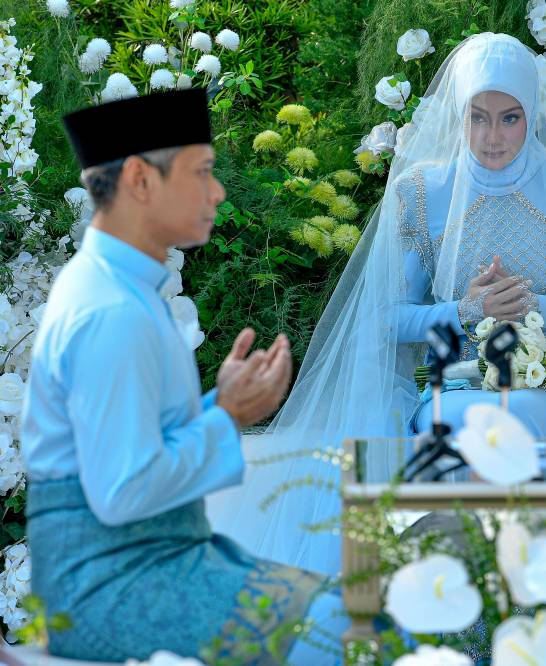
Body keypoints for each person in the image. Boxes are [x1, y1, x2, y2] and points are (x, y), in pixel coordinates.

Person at [209, 32, 546, 576]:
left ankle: (522, 589)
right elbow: (387, 317)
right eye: (477, 116)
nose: (492, 136)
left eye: (510, 117)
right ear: (457, 116)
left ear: (533, 115)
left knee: (516, 418)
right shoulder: (423, 190)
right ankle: (472, 593)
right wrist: (465, 312)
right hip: (452, 383)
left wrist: (533, 307)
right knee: (476, 423)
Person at [21, 88, 346, 664]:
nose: (217, 191)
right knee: (340, 631)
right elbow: (123, 491)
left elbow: (130, 447)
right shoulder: (110, 311)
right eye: (202, 172)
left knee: (346, 609)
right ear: (142, 181)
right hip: (112, 586)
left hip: (149, 562)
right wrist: (228, 415)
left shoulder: (118, 288)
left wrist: (220, 401)